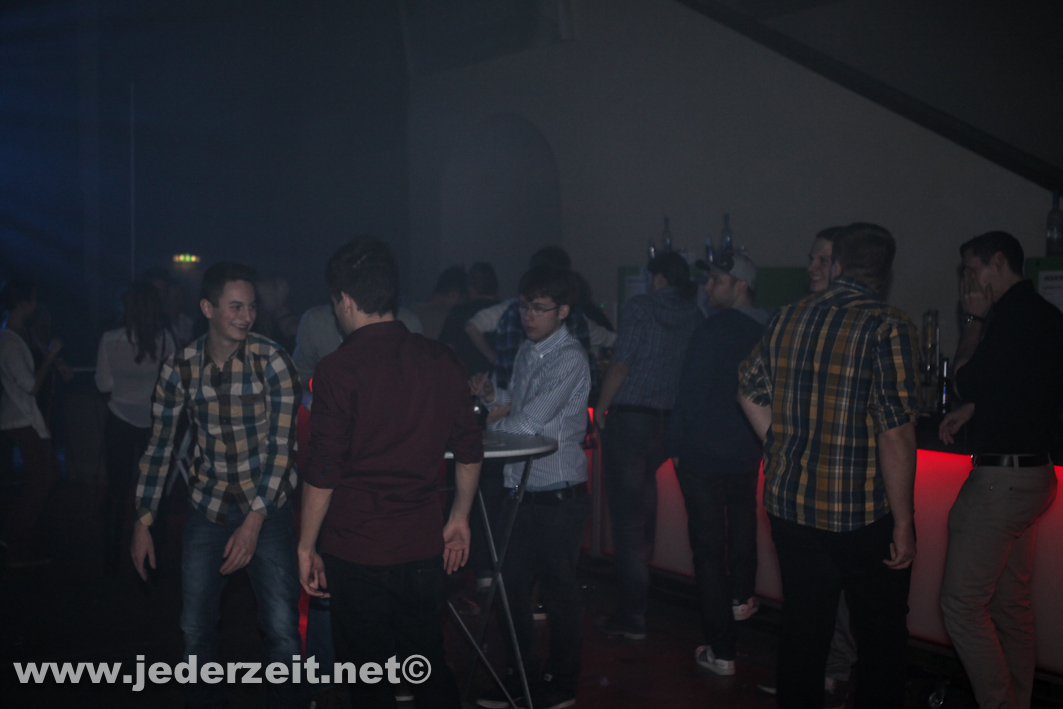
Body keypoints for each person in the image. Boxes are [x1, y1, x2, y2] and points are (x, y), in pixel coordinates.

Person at [739, 224, 919, 709]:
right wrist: (904, 522)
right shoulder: (888, 324)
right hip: (861, 511)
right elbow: (896, 433)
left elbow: (748, 389)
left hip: (791, 504)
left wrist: (781, 443)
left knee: (804, 627)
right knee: (880, 634)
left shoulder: (787, 316)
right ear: (884, 272)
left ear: (837, 265)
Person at [297, 238, 483, 709]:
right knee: (427, 662)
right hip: (421, 543)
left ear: (345, 300)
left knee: (368, 679)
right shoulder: (441, 359)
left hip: (356, 546)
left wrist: (306, 545)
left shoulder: (338, 369)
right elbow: (469, 448)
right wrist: (459, 516)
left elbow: (323, 468)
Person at [131, 262, 302, 708]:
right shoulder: (179, 368)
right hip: (207, 509)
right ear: (207, 308)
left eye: (251, 307)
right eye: (235, 307)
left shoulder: (274, 362)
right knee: (194, 629)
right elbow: (160, 447)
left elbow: (282, 450)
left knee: (282, 629)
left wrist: (253, 524)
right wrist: (143, 521)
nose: (247, 316)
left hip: (267, 510)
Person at [938, 231, 1063, 709]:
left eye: (972, 270)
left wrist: (971, 320)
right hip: (1036, 475)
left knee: (961, 604)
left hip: (1001, 482)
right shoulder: (1046, 315)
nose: (967, 282)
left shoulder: (1006, 318)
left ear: (997, 263)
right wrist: (978, 410)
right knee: (1011, 606)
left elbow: (966, 378)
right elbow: (1027, 389)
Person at [471, 264, 591, 709]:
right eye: (525, 307)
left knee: (559, 595)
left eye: (539, 308)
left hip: (558, 494)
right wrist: (493, 397)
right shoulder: (527, 349)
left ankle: (562, 681)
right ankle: (519, 675)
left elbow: (528, 423)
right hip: (521, 489)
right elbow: (517, 407)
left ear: (563, 311)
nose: (529, 316)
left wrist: (487, 427)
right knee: (510, 589)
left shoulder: (570, 358)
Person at [666, 251, 769, 676]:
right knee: (743, 519)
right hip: (747, 447)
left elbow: (690, 392)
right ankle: (741, 596)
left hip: (703, 453)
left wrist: (675, 443)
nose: (707, 287)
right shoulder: (770, 328)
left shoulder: (713, 329)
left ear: (740, 285)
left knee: (708, 550)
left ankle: (722, 651)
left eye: (716, 280)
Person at [593, 251, 703, 640]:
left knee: (627, 519)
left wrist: (601, 408)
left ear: (657, 277)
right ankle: (639, 596)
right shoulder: (694, 313)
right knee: (644, 504)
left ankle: (633, 614)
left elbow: (621, 363)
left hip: (631, 419)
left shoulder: (642, 306)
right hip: (666, 423)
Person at [96, 282, 175, 574]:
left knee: (117, 489)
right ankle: (153, 559)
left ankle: (111, 559)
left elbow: (103, 384)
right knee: (153, 492)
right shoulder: (166, 339)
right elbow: (172, 384)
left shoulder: (110, 339)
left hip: (120, 419)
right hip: (153, 422)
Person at [0, 279, 63, 567]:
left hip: (26, 417)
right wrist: (50, 356)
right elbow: (30, 386)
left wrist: (55, 361)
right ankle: (16, 545)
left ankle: (11, 535)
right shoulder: (8, 341)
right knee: (43, 479)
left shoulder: (20, 332)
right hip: (22, 419)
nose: (36, 305)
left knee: (45, 477)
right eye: (33, 299)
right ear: (22, 302)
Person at [411, 265, 468, 340]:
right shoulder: (453, 319)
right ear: (454, 295)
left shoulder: (411, 311)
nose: (463, 305)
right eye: (463, 300)